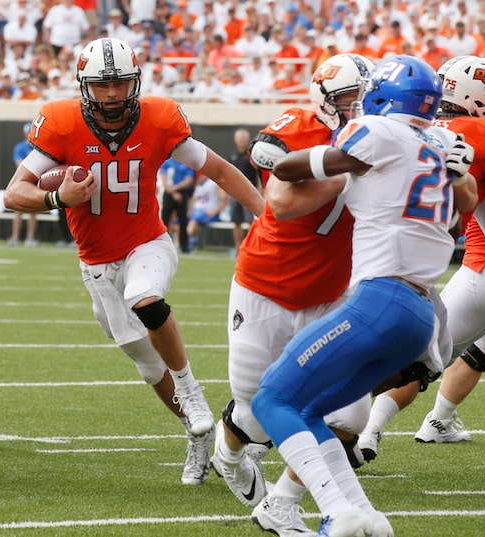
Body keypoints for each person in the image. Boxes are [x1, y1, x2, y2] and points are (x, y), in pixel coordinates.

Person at [3, 37, 264, 486]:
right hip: (97, 265)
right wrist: (55, 197)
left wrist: (267, 217)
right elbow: (13, 193)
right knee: (146, 365)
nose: (112, 94)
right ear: (84, 86)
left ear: (136, 82)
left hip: (148, 243)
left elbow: (218, 170)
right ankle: (196, 434)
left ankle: (192, 390)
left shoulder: (159, 119)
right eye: (102, 85)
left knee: (145, 297)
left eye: (121, 83)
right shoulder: (63, 125)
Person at [250, 55, 474, 536]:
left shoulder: (376, 130)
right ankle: (366, 516)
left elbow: (292, 169)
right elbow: (462, 208)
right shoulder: (441, 144)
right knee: (310, 410)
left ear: (380, 96)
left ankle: (338, 512)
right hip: (420, 314)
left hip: (382, 298)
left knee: (273, 398)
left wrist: (272, 155)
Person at [216, 54, 382, 536]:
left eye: (368, 97)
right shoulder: (302, 127)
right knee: (255, 411)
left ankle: (283, 499)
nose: (362, 107)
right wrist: (346, 175)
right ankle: (229, 457)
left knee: (351, 413)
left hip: (332, 294)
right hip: (266, 283)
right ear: (327, 101)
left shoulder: (383, 135)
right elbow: (282, 203)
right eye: (352, 98)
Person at [357, 57, 485, 464]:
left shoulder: (404, 130)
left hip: (406, 262)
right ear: (477, 99)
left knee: (412, 360)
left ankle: (359, 427)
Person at [227, 127, 259, 258]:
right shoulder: (232, 155)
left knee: (250, 221)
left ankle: (251, 247)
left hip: (249, 192)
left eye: (243, 138)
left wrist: (259, 189)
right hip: (234, 193)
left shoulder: (252, 155)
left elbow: (258, 173)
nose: (241, 141)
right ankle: (238, 248)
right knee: (236, 221)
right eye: (239, 138)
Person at [9, 121, 39, 247]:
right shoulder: (20, 147)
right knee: (18, 210)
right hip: (21, 180)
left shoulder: (39, 148)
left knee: (33, 211)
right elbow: (19, 164)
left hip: (35, 180)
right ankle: (15, 237)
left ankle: (30, 238)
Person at [158, 157, 195, 255]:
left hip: (181, 193)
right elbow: (164, 179)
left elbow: (189, 179)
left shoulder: (186, 163)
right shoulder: (167, 163)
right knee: (165, 219)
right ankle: (162, 244)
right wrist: (173, 192)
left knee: (183, 221)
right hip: (169, 193)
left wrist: (176, 189)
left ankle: (184, 247)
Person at [184, 172, 227, 253]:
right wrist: (190, 210)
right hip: (196, 212)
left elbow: (224, 200)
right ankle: (186, 241)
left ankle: (187, 242)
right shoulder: (197, 185)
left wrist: (214, 212)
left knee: (195, 219)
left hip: (207, 213)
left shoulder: (213, 184)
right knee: (179, 220)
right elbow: (194, 199)